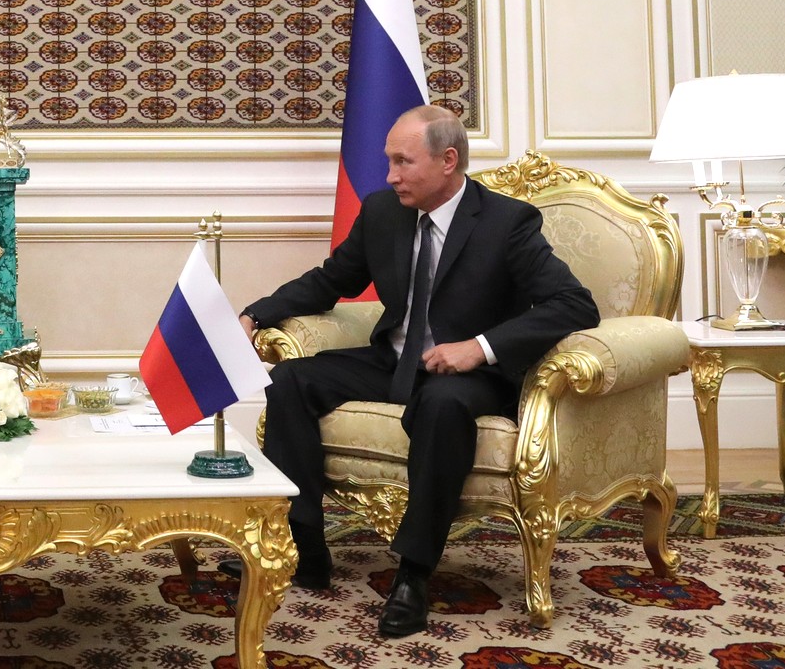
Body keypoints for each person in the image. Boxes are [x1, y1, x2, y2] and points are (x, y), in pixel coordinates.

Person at [234, 104, 599, 638]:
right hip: (396, 360)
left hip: (471, 377)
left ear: (448, 160)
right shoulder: (383, 212)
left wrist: (480, 347)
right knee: (291, 381)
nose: (390, 175)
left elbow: (574, 304)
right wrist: (256, 313)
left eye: (402, 162)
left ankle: (414, 573)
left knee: (442, 405)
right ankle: (303, 547)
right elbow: (332, 279)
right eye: (389, 161)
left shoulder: (507, 223)